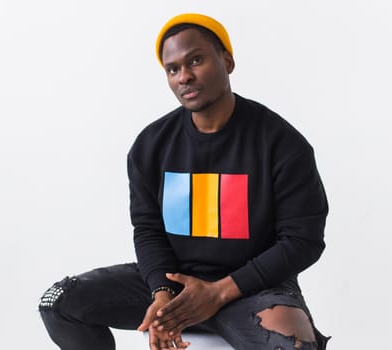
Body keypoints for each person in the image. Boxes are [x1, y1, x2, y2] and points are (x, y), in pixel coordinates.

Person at [39, 13, 330, 350]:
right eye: (173, 69)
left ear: (227, 61)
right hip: (174, 284)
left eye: (196, 60)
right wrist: (161, 293)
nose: (185, 76)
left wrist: (219, 292)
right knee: (57, 302)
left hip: (252, 289)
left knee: (291, 342)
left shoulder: (281, 143)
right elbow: (148, 229)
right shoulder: (152, 145)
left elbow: (302, 240)